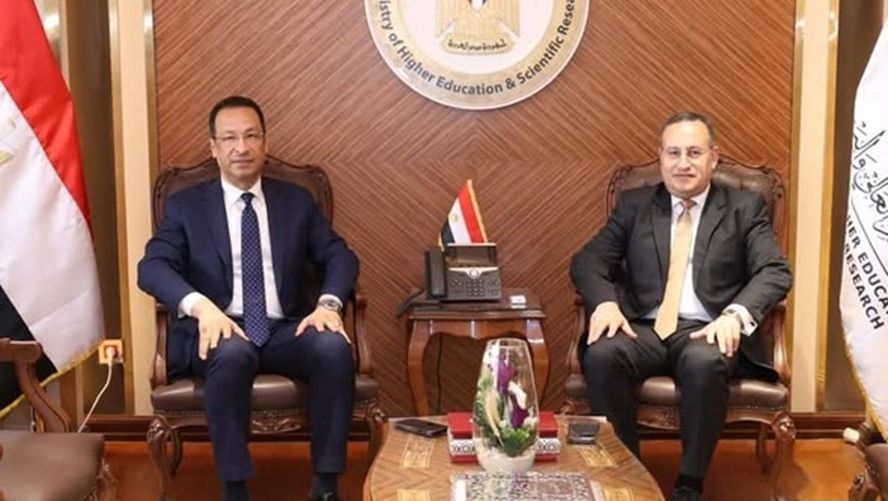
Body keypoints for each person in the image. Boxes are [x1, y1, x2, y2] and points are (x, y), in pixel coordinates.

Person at [138, 96, 358, 501]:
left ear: (265, 143)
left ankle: (326, 486)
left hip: (284, 328)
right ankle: (235, 488)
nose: (241, 147)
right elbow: (151, 268)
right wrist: (202, 308)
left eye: (251, 136)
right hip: (220, 328)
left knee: (332, 348)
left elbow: (339, 256)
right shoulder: (186, 206)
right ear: (214, 148)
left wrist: (328, 304)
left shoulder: (296, 201)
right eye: (230, 138)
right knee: (232, 353)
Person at [570, 112, 792, 501]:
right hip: (643, 328)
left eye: (694, 152)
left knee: (704, 362)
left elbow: (774, 271)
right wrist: (604, 303)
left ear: (713, 157)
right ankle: (629, 476)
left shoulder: (744, 207)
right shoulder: (636, 205)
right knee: (603, 354)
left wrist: (735, 316)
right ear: (661, 156)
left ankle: (689, 484)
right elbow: (588, 261)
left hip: (707, 328)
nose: (683, 163)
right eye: (673, 153)